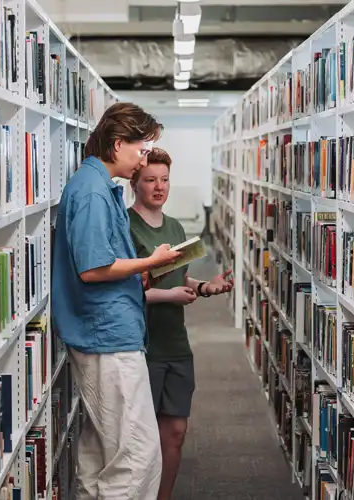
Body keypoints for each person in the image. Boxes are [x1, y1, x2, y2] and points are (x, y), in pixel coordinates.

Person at [51, 102, 181, 500]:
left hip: (105, 330)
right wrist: (151, 260)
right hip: (106, 335)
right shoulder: (91, 191)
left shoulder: (96, 185)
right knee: (136, 457)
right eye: (141, 149)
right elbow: (92, 269)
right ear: (118, 143)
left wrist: (139, 270)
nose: (144, 159)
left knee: (99, 453)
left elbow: (102, 257)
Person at [127, 147, 234, 500]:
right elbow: (125, 292)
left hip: (176, 342)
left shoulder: (174, 226)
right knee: (142, 438)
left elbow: (179, 280)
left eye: (164, 180)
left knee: (176, 430)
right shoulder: (126, 226)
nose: (159, 187)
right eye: (150, 180)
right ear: (135, 183)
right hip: (144, 344)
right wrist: (169, 297)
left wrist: (205, 287)